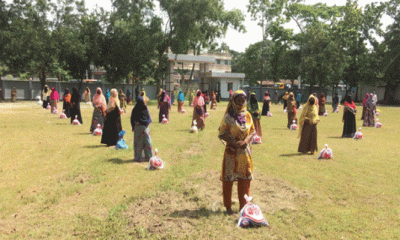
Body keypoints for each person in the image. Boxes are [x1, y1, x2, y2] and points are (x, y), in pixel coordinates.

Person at [218, 90, 255, 214]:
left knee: (244, 179)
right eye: (238, 100)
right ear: (233, 101)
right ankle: (228, 207)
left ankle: (243, 207)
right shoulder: (228, 116)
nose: (240, 103)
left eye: (243, 101)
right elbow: (222, 133)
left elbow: (252, 131)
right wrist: (235, 143)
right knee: (228, 180)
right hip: (231, 153)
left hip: (244, 153)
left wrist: (245, 141)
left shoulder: (248, 115)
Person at [131, 96, 153, 162]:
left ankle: (138, 157)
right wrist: (148, 123)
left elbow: (132, 119)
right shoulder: (144, 107)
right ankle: (149, 156)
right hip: (145, 127)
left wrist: (133, 127)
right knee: (147, 142)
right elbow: (148, 117)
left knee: (138, 143)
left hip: (138, 127)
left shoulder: (135, 109)